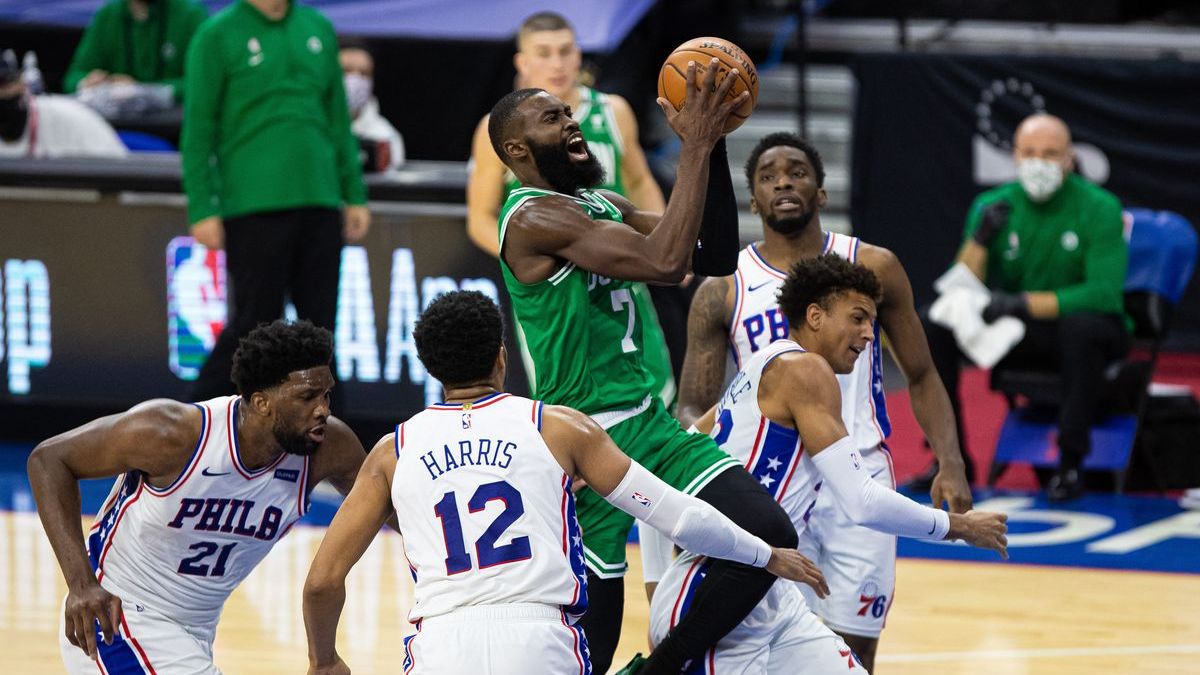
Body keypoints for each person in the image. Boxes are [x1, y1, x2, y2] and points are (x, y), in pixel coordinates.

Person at [302, 290, 827, 675]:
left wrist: (323, 660)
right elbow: (676, 514)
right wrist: (765, 554)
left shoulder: (391, 452)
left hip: (441, 644)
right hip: (541, 641)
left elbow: (323, 582)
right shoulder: (559, 426)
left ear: (432, 369)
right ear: (502, 357)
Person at [490, 59, 762, 675]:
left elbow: (709, 256)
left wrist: (713, 144)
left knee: (765, 534)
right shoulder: (533, 218)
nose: (570, 121)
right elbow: (666, 263)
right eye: (551, 117)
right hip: (587, 439)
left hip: (651, 422)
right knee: (595, 644)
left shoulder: (598, 202)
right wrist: (690, 143)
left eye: (568, 111)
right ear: (516, 148)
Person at [672, 132, 972, 671]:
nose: (783, 181)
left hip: (861, 474)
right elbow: (693, 403)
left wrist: (949, 461)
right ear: (753, 200)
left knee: (855, 648)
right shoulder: (724, 287)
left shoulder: (872, 267)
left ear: (823, 191)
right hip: (775, 487)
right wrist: (701, 470)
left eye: (797, 172)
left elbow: (923, 373)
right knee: (780, 642)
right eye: (768, 176)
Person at [643, 256, 1008, 674]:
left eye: (872, 321)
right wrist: (959, 527)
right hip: (717, 591)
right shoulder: (807, 370)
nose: (870, 334)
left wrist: (656, 584)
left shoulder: (762, 363)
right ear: (815, 316)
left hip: (772, 599)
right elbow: (862, 502)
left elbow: (664, 470)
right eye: (858, 318)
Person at [27, 320, 374, 674]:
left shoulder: (329, 447)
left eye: (326, 395)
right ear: (261, 403)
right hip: (120, 618)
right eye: (306, 397)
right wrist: (80, 585)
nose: (323, 409)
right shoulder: (172, 433)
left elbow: (400, 507)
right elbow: (49, 460)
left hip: (195, 632)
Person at [467, 10, 680, 410]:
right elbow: (480, 217)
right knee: (572, 411)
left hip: (625, 273)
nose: (557, 63)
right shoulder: (498, 130)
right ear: (522, 62)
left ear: (580, 54)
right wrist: (537, 254)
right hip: (557, 292)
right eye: (544, 53)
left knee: (656, 398)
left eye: (566, 51)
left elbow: (640, 184)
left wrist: (665, 237)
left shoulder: (613, 112)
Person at [920, 113, 1130, 502]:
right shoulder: (992, 205)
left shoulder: (1100, 207)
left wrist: (1022, 303)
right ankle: (949, 461)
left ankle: (1069, 462)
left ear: (1069, 159)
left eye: (1050, 154)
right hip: (1019, 329)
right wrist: (980, 239)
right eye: (1030, 152)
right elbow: (960, 285)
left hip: (1086, 328)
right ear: (1015, 157)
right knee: (934, 324)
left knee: (1081, 328)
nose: (1039, 162)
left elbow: (1104, 294)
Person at [181, 0, 370, 403]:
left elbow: (338, 120)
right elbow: (197, 129)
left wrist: (353, 194)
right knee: (254, 326)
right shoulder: (216, 35)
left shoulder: (317, 26)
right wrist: (202, 207)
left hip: (320, 199)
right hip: (253, 205)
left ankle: (325, 433)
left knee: (320, 328)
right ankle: (197, 417)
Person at [63, 0, 209, 103]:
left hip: (173, 129)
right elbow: (73, 77)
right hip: (116, 127)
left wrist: (142, 92)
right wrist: (86, 83)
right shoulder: (108, 14)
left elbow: (203, 84)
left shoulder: (191, 14)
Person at [0, 49, 127, 159]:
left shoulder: (74, 118)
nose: (3, 93)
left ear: (22, 83)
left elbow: (121, 175)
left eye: (5, 84)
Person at [339, 46, 405, 171]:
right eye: (346, 71)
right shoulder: (316, 131)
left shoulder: (386, 136)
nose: (355, 79)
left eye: (364, 73)